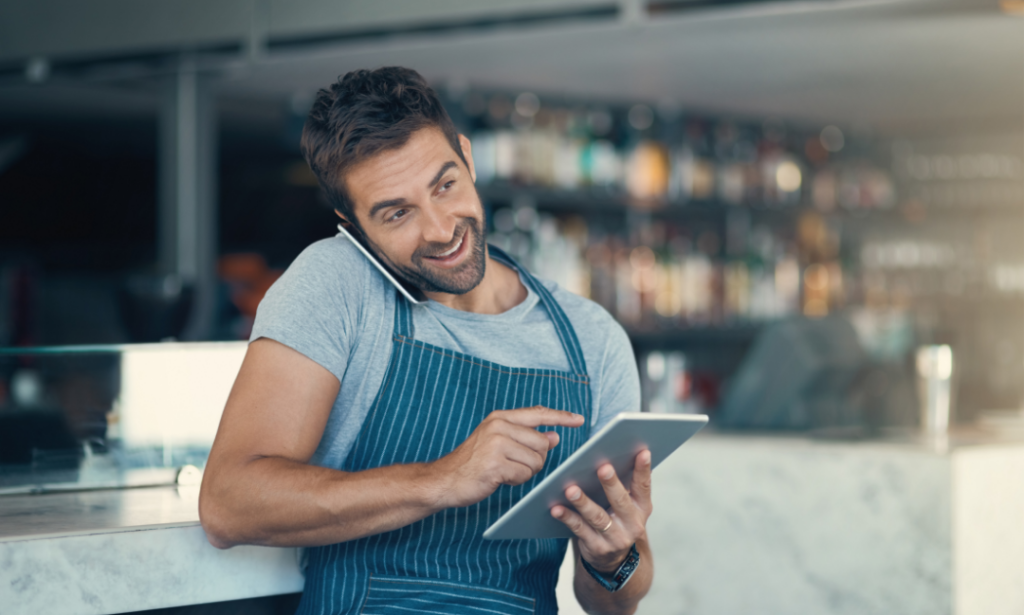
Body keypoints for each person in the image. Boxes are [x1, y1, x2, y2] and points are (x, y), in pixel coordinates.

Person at [199, 66, 653, 614]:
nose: (440, 229)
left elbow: (612, 603)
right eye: (397, 213)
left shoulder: (592, 339)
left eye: (445, 185)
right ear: (351, 220)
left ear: (466, 155)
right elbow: (229, 505)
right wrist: (444, 479)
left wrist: (614, 560)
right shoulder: (335, 285)